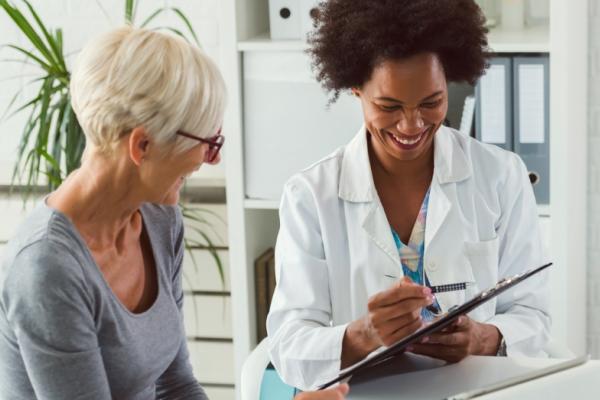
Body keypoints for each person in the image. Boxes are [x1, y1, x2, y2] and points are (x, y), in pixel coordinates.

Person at [0, 26, 348, 400]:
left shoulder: (159, 221)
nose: (210, 160)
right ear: (143, 145)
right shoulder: (47, 271)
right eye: (207, 143)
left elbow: (176, 386)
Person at [267, 0, 551, 391]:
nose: (411, 124)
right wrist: (363, 335)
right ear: (355, 87)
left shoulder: (501, 176)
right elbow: (288, 347)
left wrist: (482, 338)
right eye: (389, 106)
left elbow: (534, 315)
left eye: (431, 102)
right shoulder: (310, 196)